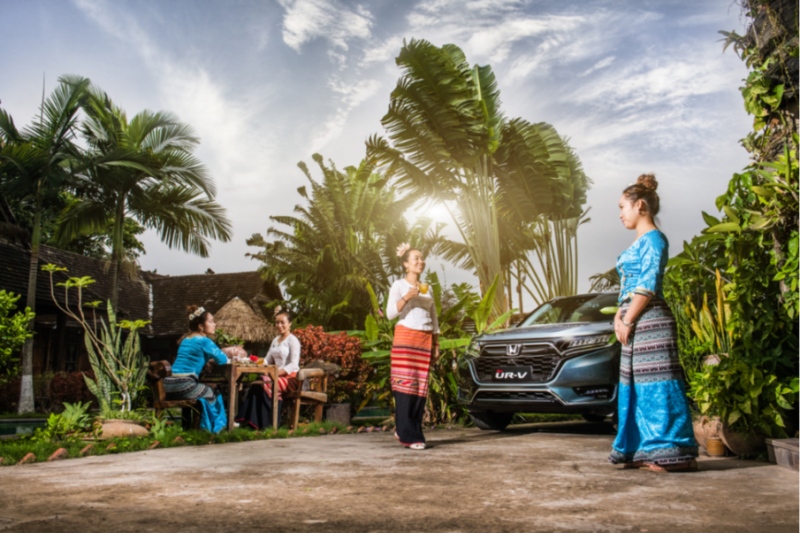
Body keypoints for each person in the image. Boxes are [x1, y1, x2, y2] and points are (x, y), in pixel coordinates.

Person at [609, 174, 698, 472]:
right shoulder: (639, 241)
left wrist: (627, 318)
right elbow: (627, 287)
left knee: (659, 384)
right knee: (636, 387)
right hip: (634, 320)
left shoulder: (654, 239)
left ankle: (676, 454)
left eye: (623, 207)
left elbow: (647, 284)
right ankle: (645, 449)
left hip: (650, 321)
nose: (620, 214)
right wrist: (619, 316)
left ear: (640, 205)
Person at [386, 243, 439, 450]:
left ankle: (405, 428)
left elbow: (433, 316)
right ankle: (410, 436)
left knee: (419, 387)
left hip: (424, 340)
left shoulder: (428, 288)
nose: (420, 261)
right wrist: (407, 297)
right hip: (406, 338)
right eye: (416, 258)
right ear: (406, 264)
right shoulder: (398, 286)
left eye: (422, 258)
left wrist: (436, 343)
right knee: (405, 385)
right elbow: (390, 314)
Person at [164, 305, 233, 433]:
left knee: (204, 389)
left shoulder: (186, 339)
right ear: (201, 326)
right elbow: (222, 360)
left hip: (168, 385)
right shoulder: (204, 341)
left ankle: (189, 427)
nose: (214, 324)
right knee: (212, 392)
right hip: (185, 385)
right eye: (211, 321)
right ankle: (213, 428)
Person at [235, 309, 301, 429]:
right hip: (274, 376)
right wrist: (254, 361)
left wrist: (276, 373)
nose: (279, 325)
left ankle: (266, 423)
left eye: (282, 322)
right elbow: (267, 359)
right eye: (277, 322)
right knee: (256, 384)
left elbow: (293, 364)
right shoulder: (275, 340)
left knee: (263, 383)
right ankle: (251, 421)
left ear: (290, 323)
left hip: (290, 379)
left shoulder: (293, 341)